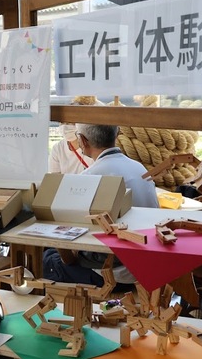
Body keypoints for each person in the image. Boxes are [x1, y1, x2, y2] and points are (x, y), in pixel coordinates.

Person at [43, 122, 159, 290]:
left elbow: (68, 251)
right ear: (117, 134)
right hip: (148, 265)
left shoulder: (89, 177)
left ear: (82, 141)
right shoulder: (139, 168)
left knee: (47, 258)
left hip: (117, 275)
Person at [48, 96, 97, 174]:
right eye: (63, 122)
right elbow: (55, 178)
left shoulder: (95, 148)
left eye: (71, 122)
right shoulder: (58, 149)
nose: (65, 127)